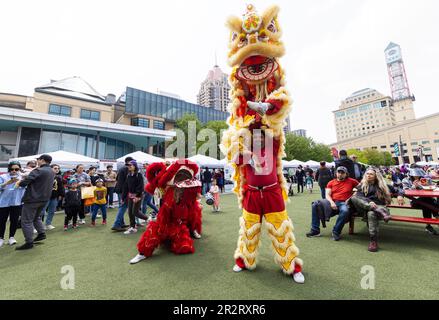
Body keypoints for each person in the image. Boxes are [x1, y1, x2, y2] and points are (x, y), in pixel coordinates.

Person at [349, 168, 404, 252]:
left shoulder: (382, 186)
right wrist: (369, 203)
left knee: (371, 213)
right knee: (353, 197)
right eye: (367, 174)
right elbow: (359, 197)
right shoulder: (361, 186)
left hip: (380, 207)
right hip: (365, 208)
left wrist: (400, 195)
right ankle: (374, 209)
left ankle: (373, 241)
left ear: (376, 176)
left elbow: (399, 189)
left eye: (371, 174)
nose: (369, 175)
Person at [306, 166, 359, 241]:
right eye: (339, 172)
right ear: (336, 173)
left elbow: (361, 188)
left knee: (345, 211)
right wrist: (331, 203)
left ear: (346, 174)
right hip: (332, 202)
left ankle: (336, 232)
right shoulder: (331, 182)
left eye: (342, 173)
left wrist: (354, 194)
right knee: (315, 204)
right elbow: (327, 195)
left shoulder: (352, 181)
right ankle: (315, 230)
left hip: (344, 203)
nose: (340, 174)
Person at [15, 154, 55, 250]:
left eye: (38, 159)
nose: (37, 161)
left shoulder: (39, 170)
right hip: (44, 199)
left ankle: (29, 242)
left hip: (33, 198)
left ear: (42, 160)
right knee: (36, 217)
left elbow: (26, 181)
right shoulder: (51, 171)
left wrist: (19, 182)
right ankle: (41, 234)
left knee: (26, 221)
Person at [402, 168, 439, 235]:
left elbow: (430, 189)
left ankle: (428, 226)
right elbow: (405, 192)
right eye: (416, 175)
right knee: (430, 202)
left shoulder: (424, 179)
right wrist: (414, 186)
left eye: (419, 175)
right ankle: (436, 217)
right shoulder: (405, 180)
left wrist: (429, 186)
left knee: (427, 203)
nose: (417, 176)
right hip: (414, 201)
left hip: (427, 200)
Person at [0, 161, 26, 248]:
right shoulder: (3, 176)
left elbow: (26, 187)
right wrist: (8, 183)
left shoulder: (22, 177)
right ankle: (1, 238)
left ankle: (11, 237)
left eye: (16, 169)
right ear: (9, 169)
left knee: (14, 220)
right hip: (4, 203)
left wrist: (21, 182)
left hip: (17, 202)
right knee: (2, 221)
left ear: (19, 169)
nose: (14, 171)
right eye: (12, 169)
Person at [122, 160, 149, 235]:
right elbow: (126, 186)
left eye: (130, 165)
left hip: (138, 195)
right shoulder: (129, 175)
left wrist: (137, 196)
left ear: (135, 166)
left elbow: (141, 186)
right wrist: (123, 197)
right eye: (128, 166)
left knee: (135, 211)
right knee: (130, 212)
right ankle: (132, 227)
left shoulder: (139, 174)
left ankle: (147, 219)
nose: (129, 167)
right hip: (130, 196)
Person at [112, 157, 133, 231]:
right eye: (132, 162)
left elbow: (117, 179)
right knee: (123, 206)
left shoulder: (122, 168)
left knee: (122, 206)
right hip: (123, 190)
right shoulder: (127, 169)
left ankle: (121, 223)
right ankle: (116, 224)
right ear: (128, 162)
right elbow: (127, 181)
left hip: (119, 189)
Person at [42, 164, 65, 231]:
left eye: (58, 168)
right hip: (45, 197)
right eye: (55, 168)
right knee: (42, 212)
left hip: (54, 197)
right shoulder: (45, 177)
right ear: (50, 169)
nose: (57, 169)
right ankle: (38, 225)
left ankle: (48, 224)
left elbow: (61, 187)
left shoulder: (58, 178)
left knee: (52, 211)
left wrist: (61, 195)